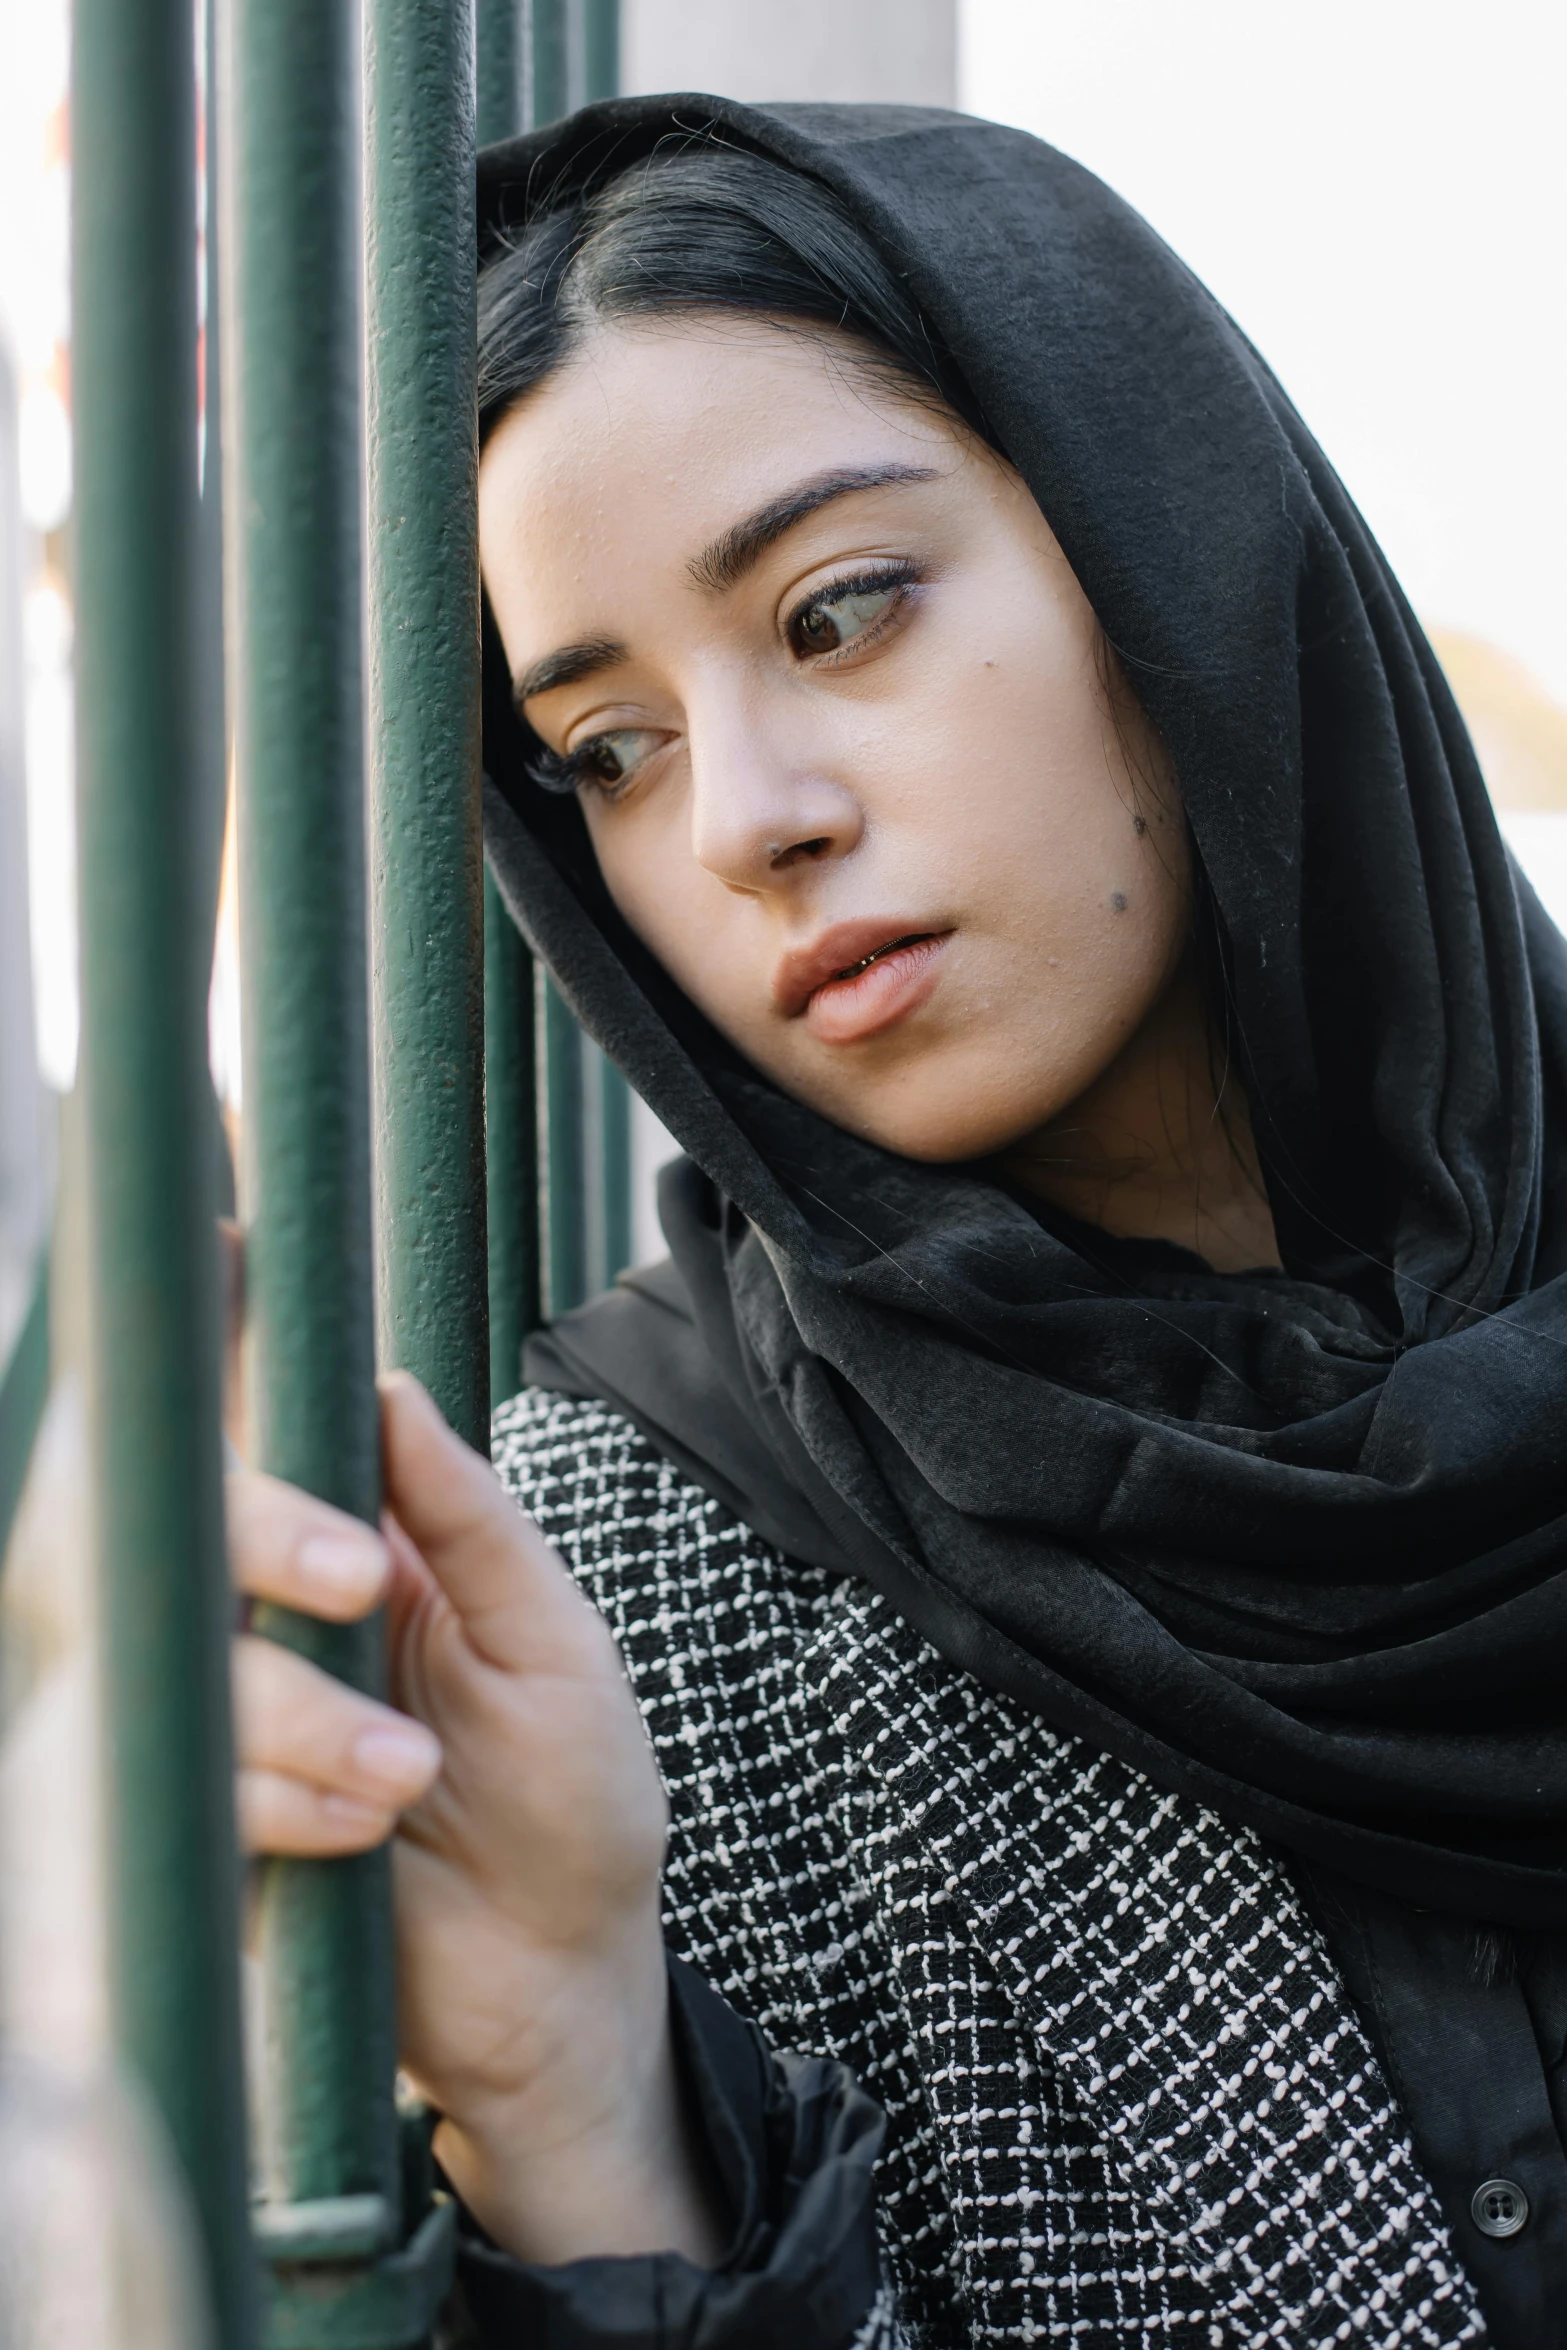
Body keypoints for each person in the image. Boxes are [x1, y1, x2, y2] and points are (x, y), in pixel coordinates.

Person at [228, 96, 1567, 2347]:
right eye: (610, 751)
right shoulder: (629, 1586)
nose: (743, 818)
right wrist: (578, 2088)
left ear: (1168, 550)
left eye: (838, 614)